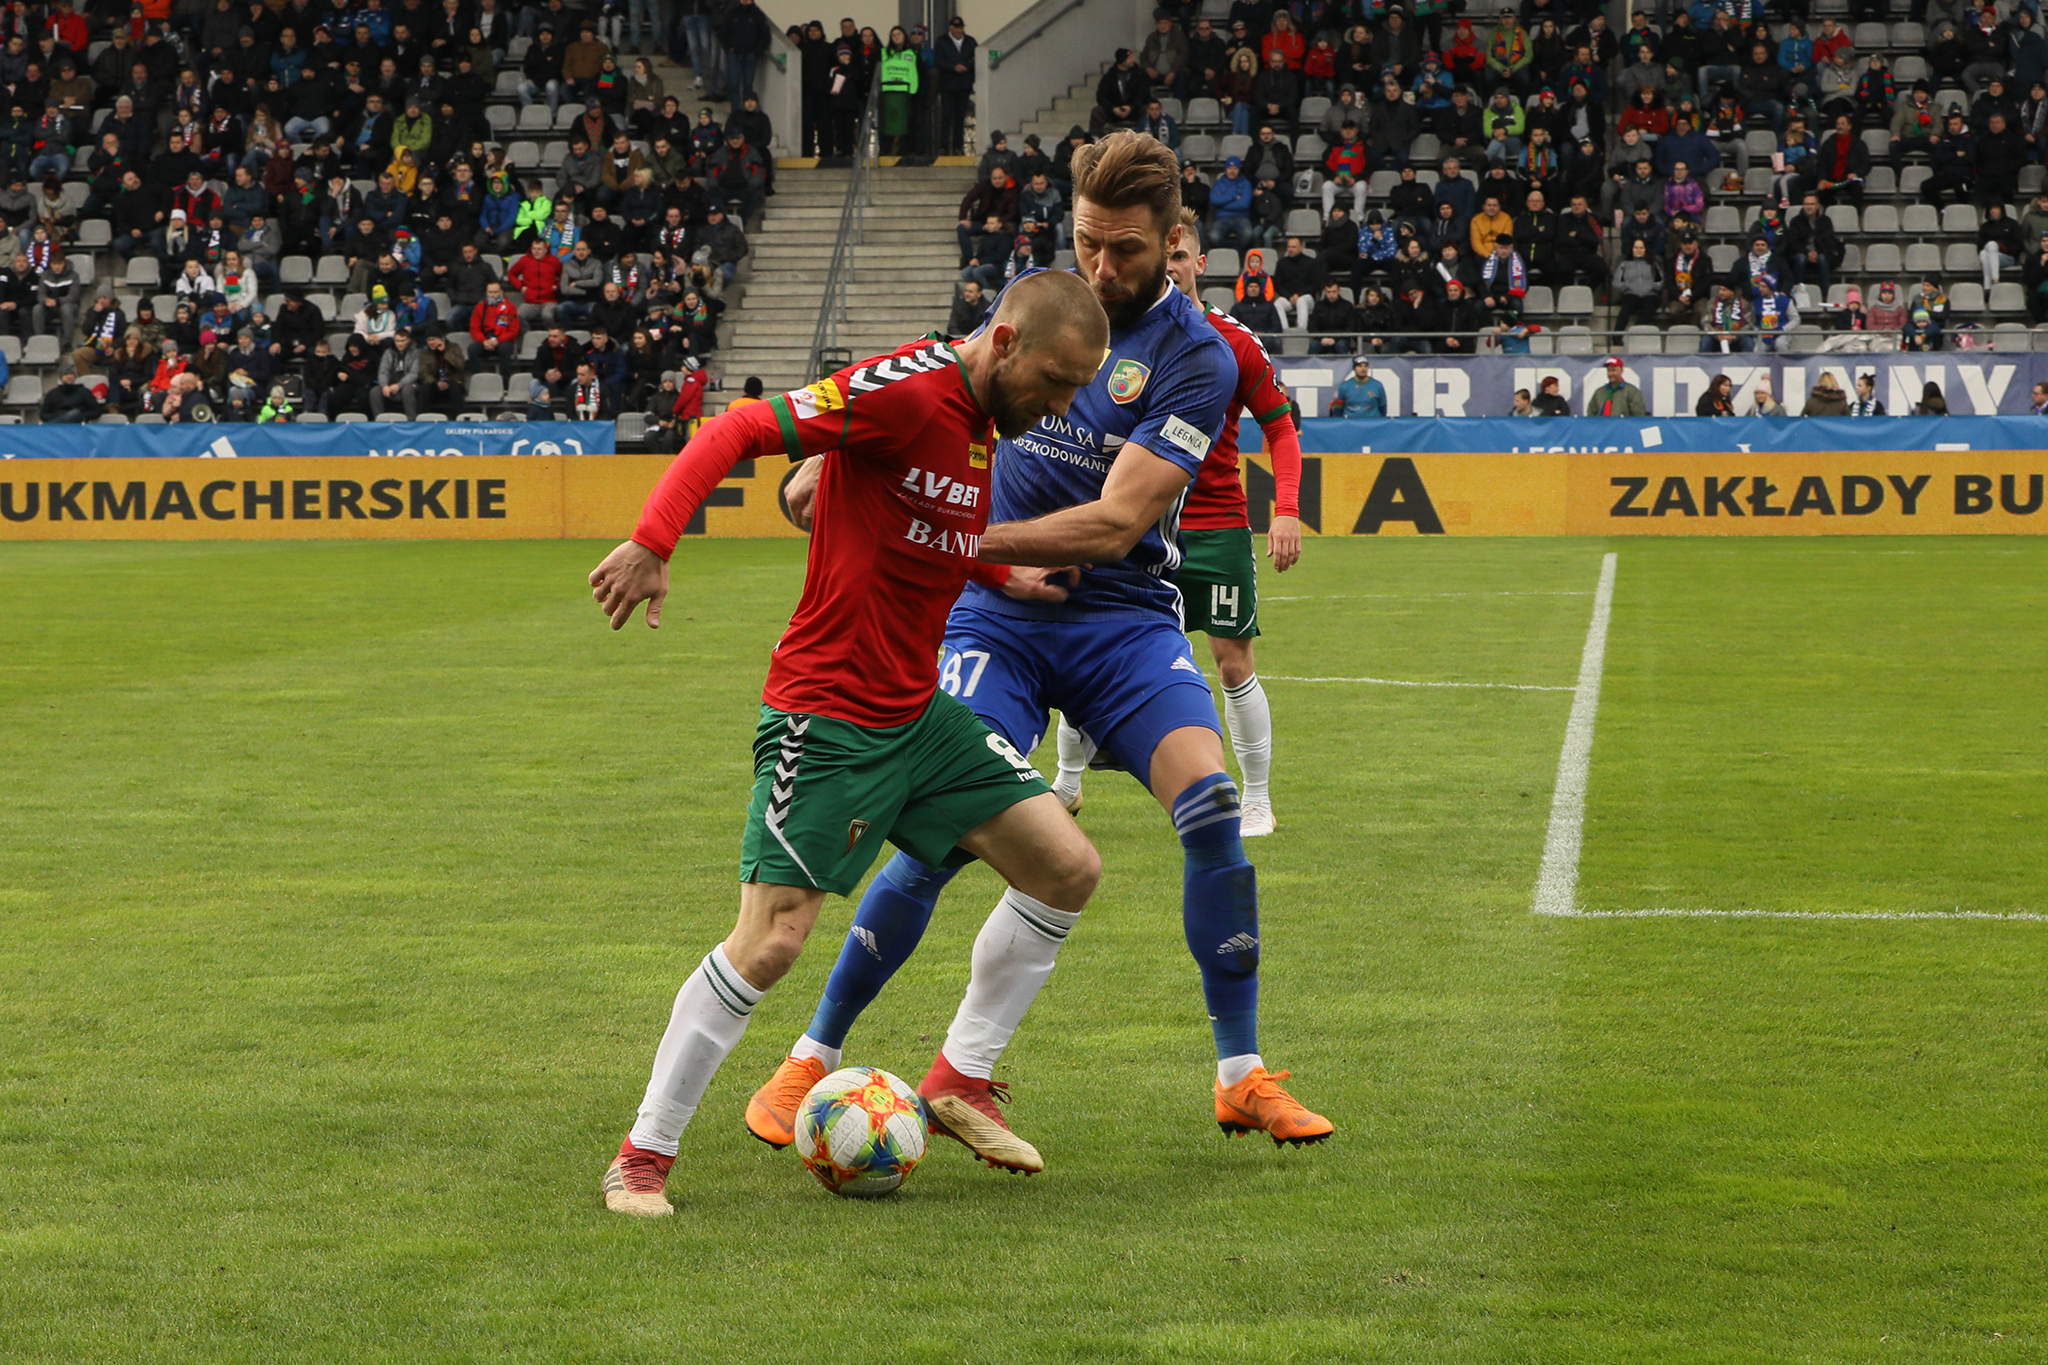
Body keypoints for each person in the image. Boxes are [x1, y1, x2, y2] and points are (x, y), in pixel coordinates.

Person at [746, 132, 1333, 1171]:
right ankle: (810, 1055)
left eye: (1126, 250)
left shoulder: (1195, 357)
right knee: (942, 831)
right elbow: (938, 395)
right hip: (994, 622)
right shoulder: (1038, 308)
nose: (1102, 268)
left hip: (1121, 618)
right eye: (1088, 242)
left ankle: (1238, 1074)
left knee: (1209, 804)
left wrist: (950, 539)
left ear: (1173, 238)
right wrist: (836, 468)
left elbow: (1116, 523)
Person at [589, 270, 1111, 1215]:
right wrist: (653, 540)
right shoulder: (908, 389)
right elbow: (736, 431)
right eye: (1056, 380)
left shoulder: (984, 423)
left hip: (920, 717)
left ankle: (960, 1076)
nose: (1064, 405)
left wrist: (1006, 579)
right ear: (1003, 342)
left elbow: (918, 534)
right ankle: (642, 1156)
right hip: (826, 715)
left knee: (1067, 866)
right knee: (771, 941)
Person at [1051, 206, 1304, 836]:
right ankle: (1066, 784)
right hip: (1134, 524)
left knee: (1233, 662)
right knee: (1087, 643)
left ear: (1198, 262)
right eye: (1163, 258)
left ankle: (1257, 800)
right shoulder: (1107, 332)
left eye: (1180, 257)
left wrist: (1287, 511)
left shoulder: (1229, 342)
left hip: (1213, 526)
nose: (1171, 267)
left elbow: (1280, 427)